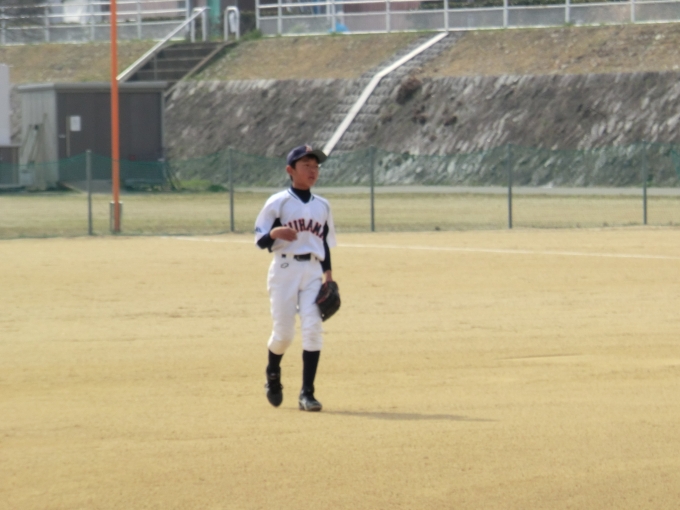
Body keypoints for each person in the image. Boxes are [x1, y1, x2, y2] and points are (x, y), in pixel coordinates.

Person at [254, 145, 337, 412]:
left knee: (313, 328)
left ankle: (307, 393)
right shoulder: (278, 202)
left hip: (312, 271)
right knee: (284, 335)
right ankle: (273, 372)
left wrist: (328, 276)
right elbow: (260, 240)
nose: (313, 171)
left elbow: (324, 244)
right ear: (290, 170)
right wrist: (274, 233)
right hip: (284, 270)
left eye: (316, 167)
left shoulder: (322, 205)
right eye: (306, 166)